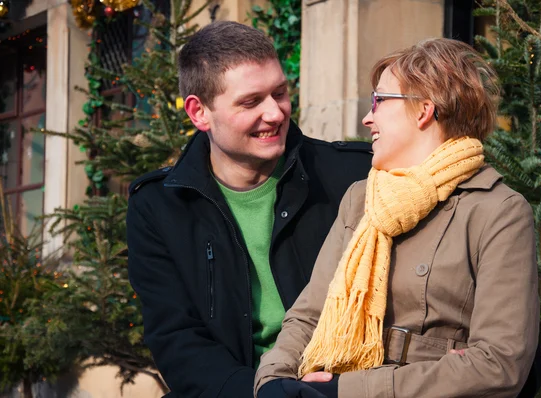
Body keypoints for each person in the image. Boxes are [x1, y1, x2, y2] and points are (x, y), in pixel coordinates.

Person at [254, 38, 540, 398]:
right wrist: (274, 381)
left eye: (379, 100)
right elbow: (311, 313)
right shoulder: (362, 198)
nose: (367, 117)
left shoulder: (497, 211)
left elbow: (498, 362)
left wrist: (346, 390)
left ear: (423, 110)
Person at [126, 21, 372, 398]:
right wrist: (262, 391)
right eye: (251, 101)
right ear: (199, 112)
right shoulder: (159, 206)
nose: (275, 113)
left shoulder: (351, 176)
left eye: (280, 93)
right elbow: (177, 339)